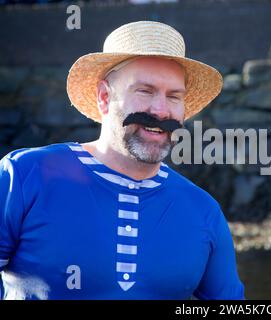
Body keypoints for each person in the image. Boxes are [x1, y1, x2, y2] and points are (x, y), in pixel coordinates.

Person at [0, 21, 245, 300]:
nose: (161, 110)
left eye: (174, 96)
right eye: (145, 91)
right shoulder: (23, 176)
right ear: (104, 96)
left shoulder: (204, 212)